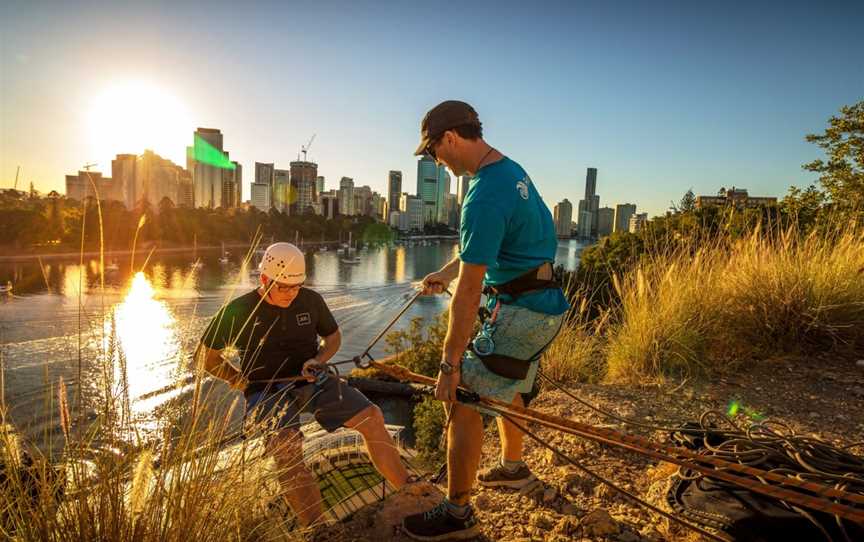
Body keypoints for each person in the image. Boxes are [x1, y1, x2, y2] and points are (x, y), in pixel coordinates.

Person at [402, 101, 569, 540]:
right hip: (545, 307)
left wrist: (448, 364)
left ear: (451, 138)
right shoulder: (509, 170)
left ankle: (457, 512)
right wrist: (444, 272)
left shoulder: (483, 193)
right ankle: (512, 468)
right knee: (510, 390)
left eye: (434, 152)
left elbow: (472, 289)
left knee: (462, 399)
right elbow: (484, 253)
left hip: (520, 313)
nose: (437, 161)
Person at [196, 242, 409, 527]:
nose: (291, 294)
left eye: (296, 286)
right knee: (286, 449)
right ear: (263, 279)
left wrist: (318, 360)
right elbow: (206, 357)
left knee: (371, 416)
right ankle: (317, 530)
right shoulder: (237, 311)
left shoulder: (310, 300)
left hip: (312, 378)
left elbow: (333, 339)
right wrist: (234, 378)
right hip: (265, 389)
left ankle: (409, 493)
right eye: (283, 287)